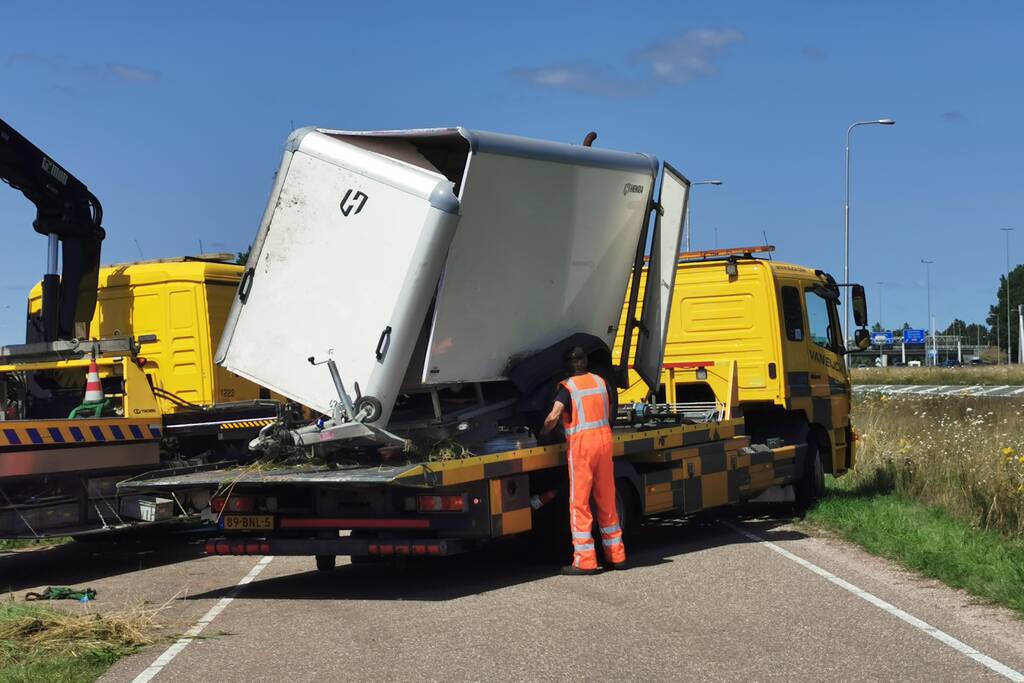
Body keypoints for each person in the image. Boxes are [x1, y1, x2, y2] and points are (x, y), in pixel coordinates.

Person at [541, 347, 626, 575]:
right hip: (604, 443)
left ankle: (585, 561)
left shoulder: (568, 387)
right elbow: (609, 413)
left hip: (582, 447)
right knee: (606, 499)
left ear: (568, 364)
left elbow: (553, 416)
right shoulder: (601, 382)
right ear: (586, 362)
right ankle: (616, 556)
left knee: (580, 503)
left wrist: (544, 432)